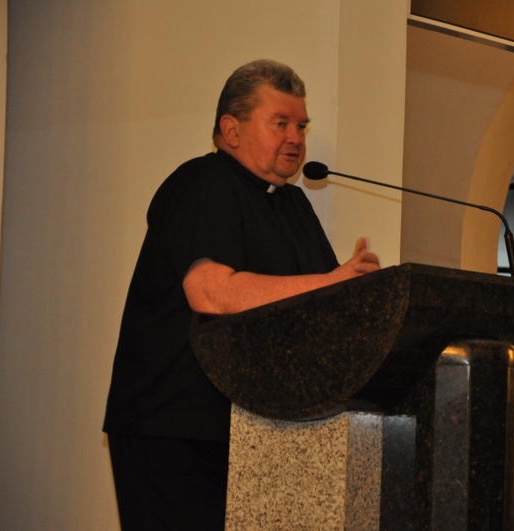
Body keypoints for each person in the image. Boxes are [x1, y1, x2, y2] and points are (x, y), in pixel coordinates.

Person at [102, 59, 380, 530]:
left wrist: (361, 293)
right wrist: (335, 282)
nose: (295, 138)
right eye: (280, 123)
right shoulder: (201, 183)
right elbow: (212, 293)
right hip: (174, 426)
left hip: (254, 428)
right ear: (231, 130)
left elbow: (320, 303)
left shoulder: (293, 204)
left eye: (301, 126)